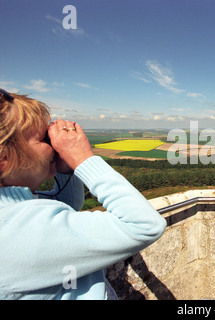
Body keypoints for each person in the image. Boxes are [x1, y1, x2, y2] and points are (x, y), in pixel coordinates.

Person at [0, 89, 167, 299]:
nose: (53, 147)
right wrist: (81, 157)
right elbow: (145, 225)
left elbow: (69, 205)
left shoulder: (16, 214)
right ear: (4, 159)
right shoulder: (19, 229)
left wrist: (65, 169)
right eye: (42, 139)